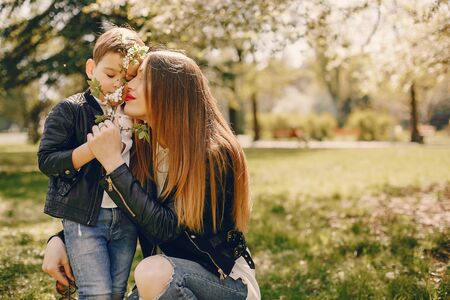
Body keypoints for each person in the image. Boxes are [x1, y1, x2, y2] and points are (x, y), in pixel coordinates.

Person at [43, 50, 261, 299]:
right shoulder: (144, 148)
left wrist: (114, 165)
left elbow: (166, 228)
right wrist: (62, 240)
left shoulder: (213, 153)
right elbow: (126, 208)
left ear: (171, 91)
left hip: (224, 283)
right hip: (165, 281)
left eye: (141, 78)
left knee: (151, 271)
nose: (128, 84)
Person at [38, 27, 145, 300]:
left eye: (129, 77)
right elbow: (47, 160)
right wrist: (91, 150)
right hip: (85, 218)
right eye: (110, 75)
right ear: (91, 69)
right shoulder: (71, 110)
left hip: (126, 217)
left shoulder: (136, 113)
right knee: (96, 293)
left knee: (116, 292)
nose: (118, 85)